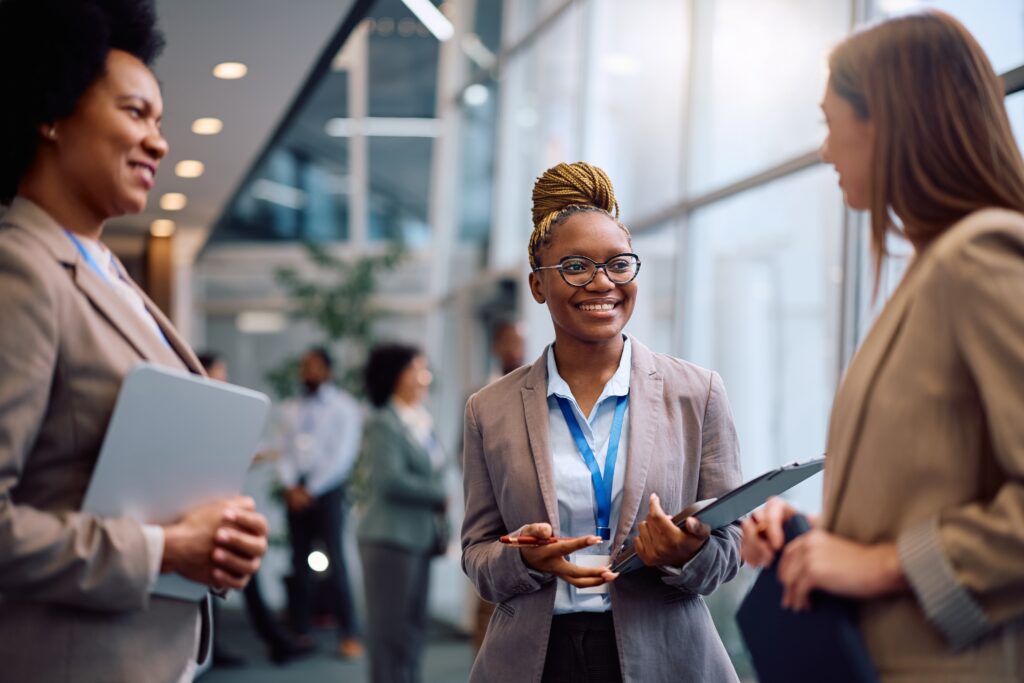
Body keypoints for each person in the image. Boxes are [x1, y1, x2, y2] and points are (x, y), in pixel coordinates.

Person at [739, 10, 1024, 680]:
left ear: (887, 122)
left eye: (829, 121)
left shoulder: (979, 255)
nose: (825, 149)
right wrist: (816, 536)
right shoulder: (933, 271)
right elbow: (931, 486)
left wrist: (885, 563)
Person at [0, 1, 269, 681]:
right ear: (51, 112)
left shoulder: (110, 275)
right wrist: (164, 549)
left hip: (148, 653)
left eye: (160, 120)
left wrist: (218, 534)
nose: (160, 142)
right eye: (135, 112)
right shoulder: (22, 270)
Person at [461, 162, 744, 683]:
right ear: (538, 285)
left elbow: (730, 549)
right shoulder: (489, 409)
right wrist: (525, 561)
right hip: (536, 661)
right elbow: (477, 555)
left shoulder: (697, 393)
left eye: (618, 264)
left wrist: (687, 551)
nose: (602, 283)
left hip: (664, 655)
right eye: (575, 266)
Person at [197, 351, 315, 666]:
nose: (224, 378)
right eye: (219, 371)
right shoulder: (199, 411)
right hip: (205, 508)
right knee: (225, 574)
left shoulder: (215, 410)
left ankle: (267, 641)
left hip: (223, 505)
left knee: (237, 573)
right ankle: (250, 644)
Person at [358, 343, 448, 683]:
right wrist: (440, 494)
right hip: (388, 538)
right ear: (397, 376)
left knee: (413, 628)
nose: (425, 377)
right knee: (388, 633)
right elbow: (390, 480)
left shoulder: (421, 421)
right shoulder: (384, 422)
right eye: (417, 370)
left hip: (420, 537)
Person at [274, 346, 364, 658]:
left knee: (335, 562)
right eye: (304, 366)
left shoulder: (344, 407)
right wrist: (290, 486)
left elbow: (342, 457)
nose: (308, 372)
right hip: (296, 492)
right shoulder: (290, 408)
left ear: (327, 371)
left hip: (328, 492)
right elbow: (283, 450)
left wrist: (311, 489)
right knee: (298, 563)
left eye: (314, 366)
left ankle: (348, 633)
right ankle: (300, 631)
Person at [471, 320, 526, 652]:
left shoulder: (539, 391)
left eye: (519, 342)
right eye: (507, 342)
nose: (513, 349)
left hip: (527, 511)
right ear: (495, 346)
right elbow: (462, 452)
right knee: (487, 601)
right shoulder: (479, 398)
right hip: (492, 511)